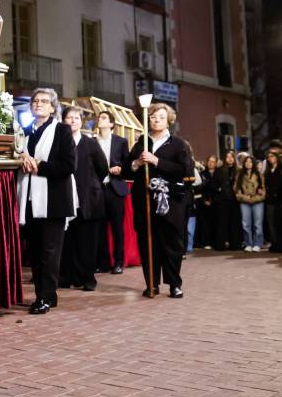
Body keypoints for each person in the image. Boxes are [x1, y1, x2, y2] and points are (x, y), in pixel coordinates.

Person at [17, 88, 75, 315]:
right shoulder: (25, 133)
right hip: (30, 200)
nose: (38, 104)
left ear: (53, 107)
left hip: (54, 202)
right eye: (35, 101)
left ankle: (45, 297)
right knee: (36, 252)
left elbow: (69, 166)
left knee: (50, 253)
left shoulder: (62, 131)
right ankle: (46, 295)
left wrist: (38, 165)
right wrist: (21, 160)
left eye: (44, 101)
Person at [126, 102, 194, 298]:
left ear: (169, 121)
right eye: (153, 116)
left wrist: (157, 161)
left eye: (161, 117)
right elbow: (126, 170)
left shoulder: (178, 144)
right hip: (144, 203)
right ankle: (151, 284)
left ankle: (174, 284)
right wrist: (137, 163)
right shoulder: (140, 144)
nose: (156, 120)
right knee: (148, 245)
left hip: (170, 203)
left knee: (171, 245)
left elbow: (185, 171)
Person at [59, 108, 106, 291]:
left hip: (88, 200)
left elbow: (102, 168)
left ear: (82, 121)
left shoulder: (90, 143)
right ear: (63, 121)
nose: (73, 120)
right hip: (65, 199)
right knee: (67, 242)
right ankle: (66, 277)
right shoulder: (59, 143)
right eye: (69, 117)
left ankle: (87, 279)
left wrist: (90, 184)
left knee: (87, 242)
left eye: (76, 118)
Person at [93, 110, 129, 273]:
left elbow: (127, 167)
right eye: (99, 117)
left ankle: (119, 262)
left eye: (104, 118)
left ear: (111, 124)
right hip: (97, 189)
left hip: (115, 189)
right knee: (99, 228)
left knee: (117, 228)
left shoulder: (121, 142)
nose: (100, 119)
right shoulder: (92, 142)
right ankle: (103, 262)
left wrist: (120, 169)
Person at [235, 155, 266, 252]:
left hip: (257, 201)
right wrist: (245, 198)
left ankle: (258, 243)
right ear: (243, 163)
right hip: (244, 201)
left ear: (254, 164)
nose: (248, 163)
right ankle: (248, 243)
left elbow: (263, 191)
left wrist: (254, 198)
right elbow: (236, 190)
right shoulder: (239, 175)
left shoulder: (259, 175)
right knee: (245, 224)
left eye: (250, 162)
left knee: (258, 224)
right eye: (246, 161)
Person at [213, 150, 242, 250]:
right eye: (227, 157)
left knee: (235, 223)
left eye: (231, 157)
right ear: (225, 159)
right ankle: (221, 245)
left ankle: (236, 245)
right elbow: (214, 184)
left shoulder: (239, 170)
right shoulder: (219, 170)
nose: (230, 159)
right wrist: (219, 189)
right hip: (223, 200)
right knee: (222, 223)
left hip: (235, 200)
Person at [264, 151, 282, 252]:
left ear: (276, 157)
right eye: (268, 157)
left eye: (272, 156)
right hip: (269, 200)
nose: (270, 158)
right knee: (271, 223)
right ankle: (274, 243)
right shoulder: (268, 171)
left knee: (280, 223)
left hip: (280, 200)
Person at [196, 155, 220, 249]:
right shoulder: (203, 173)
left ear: (216, 163)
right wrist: (205, 200)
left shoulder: (219, 173)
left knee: (216, 222)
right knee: (205, 223)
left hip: (216, 202)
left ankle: (215, 241)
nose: (211, 163)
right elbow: (201, 189)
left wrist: (213, 200)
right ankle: (206, 242)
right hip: (204, 201)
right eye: (209, 161)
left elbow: (219, 189)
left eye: (213, 161)